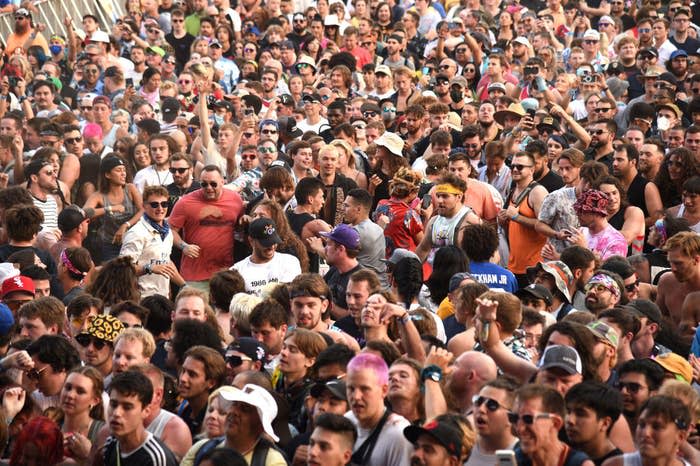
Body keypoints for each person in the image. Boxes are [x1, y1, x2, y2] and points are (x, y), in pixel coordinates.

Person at [169, 165, 243, 290]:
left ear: (222, 182)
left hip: (225, 273)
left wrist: (244, 220)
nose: (209, 188)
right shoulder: (185, 202)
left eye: (213, 184)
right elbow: (170, 230)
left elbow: (239, 228)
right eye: (204, 184)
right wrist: (183, 246)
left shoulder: (235, 199)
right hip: (195, 275)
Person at [180, 383, 287, 466]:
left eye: (245, 409)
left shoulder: (272, 462)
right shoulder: (201, 448)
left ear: (260, 425)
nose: (234, 411)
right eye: (234, 404)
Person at [344, 352, 413, 465]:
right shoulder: (347, 420)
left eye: (365, 389)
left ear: (384, 390)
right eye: (351, 389)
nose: (356, 396)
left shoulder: (398, 434)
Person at [99, 370, 178, 466]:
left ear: (146, 411)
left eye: (127, 407)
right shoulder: (110, 445)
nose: (117, 413)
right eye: (113, 404)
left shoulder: (156, 459)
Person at [120, 185, 184, 297]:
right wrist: (149, 268)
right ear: (144, 206)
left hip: (162, 296)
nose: (160, 208)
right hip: (141, 297)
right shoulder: (136, 233)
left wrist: (184, 286)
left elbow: (166, 262)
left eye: (164, 204)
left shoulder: (167, 231)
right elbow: (123, 268)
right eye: (154, 204)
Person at [512, 384, 593, 466]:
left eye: (528, 419)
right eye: (514, 418)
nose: (520, 428)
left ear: (555, 423)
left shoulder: (579, 464)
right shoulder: (513, 461)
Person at [83, 156, 143, 262]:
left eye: (124, 170)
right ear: (107, 175)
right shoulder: (99, 195)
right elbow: (84, 213)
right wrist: (110, 208)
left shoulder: (130, 188)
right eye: (118, 170)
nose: (123, 173)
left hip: (132, 241)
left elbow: (143, 210)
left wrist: (126, 225)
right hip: (109, 245)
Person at [232, 218, 301, 295]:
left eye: (274, 242)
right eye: (266, 243)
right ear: (251, 241)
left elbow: (286, 297)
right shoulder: (237, 271)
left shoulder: (290, 262)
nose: (271, 247)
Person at [564, 381, 623, 465]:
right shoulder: (563, 452)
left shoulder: (618, 463)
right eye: (568, 411)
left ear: (605, 423)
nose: (570, 420)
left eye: (580, 414)